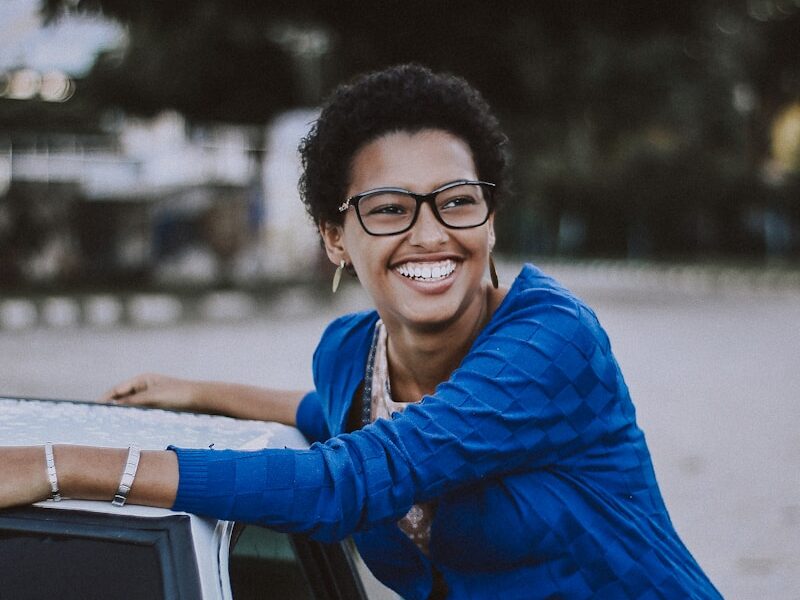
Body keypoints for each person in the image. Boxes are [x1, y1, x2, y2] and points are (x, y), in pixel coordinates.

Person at [0, 64, 720, 599]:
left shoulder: (552, 345)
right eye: (386, 209)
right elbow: (337, 416)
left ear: (491, 218)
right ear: (335, 238)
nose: (430, 234)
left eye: (457, 202)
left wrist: (60, 466)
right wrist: (199, 390)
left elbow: (345, 481)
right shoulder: (348, 354)